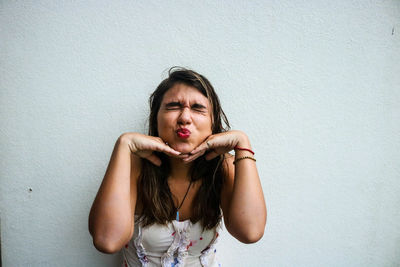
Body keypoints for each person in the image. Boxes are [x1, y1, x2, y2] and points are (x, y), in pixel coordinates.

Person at [88, 67, 267, 266]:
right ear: (156, 118)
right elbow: (107, 241)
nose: (184, 118)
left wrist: (243, 144)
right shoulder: (134, 167)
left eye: (198, 108)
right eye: (173, 106)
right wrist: (123, 145)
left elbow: (250, 232)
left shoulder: (223, 167)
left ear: (213, 122)